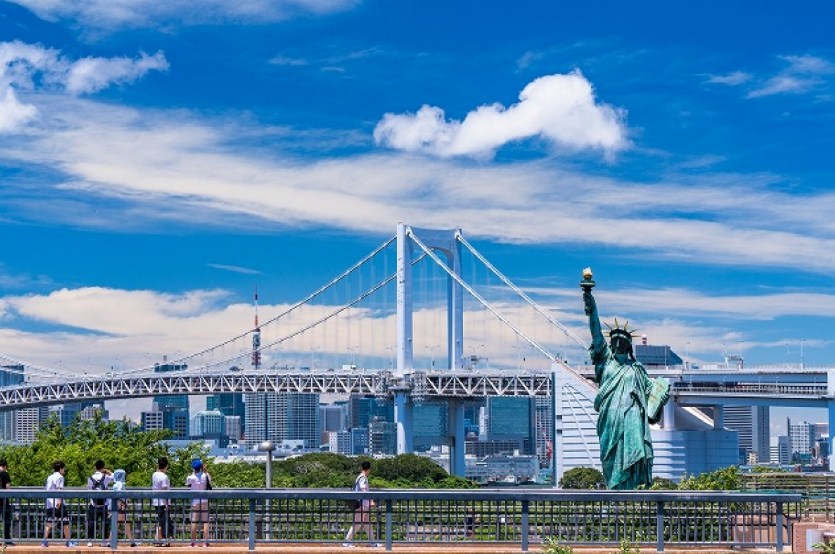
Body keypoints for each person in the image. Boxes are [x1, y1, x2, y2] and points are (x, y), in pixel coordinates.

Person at [582, 271, 670, 489]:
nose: (619, 342)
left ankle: (636, 499)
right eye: (616, 340)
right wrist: (589, 299)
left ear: (629, 346)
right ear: (611, 344)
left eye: (624, 340)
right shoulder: (605, 361)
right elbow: (595, 330)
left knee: (636, 459)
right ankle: (616, 496)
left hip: (632, 419)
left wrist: (662, 392)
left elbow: (653, 394)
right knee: (611, 461)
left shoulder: (637, 369)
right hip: (611, 421)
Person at [343, 460, 380, 548]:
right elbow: (364, 489)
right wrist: (371, 500)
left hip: (364, 504)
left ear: (362, 468)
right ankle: (346, 541)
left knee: (367, 523)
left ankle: (372, 543)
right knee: (358, 523)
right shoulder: (363, 477)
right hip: (362, 504)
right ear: (369, 469)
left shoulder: (360, 477)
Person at [43, 460, 76, 548]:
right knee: (65, 523)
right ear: (60, 468)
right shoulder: (60, 477)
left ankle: (44, 541)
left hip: (49, 503)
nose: (64, 470)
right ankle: (68, 542)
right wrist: (59, 501)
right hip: (58, 503)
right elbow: (59, 490)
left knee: (49, 523)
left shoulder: (49, 477)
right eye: (63, 468)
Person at [86, 460, 113, 547]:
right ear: (103, 467)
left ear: (95, 467)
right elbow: (115, 477)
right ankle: (104, 541)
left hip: (93, 504)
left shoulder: (90, 478)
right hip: (104, 504)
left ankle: (90, 541)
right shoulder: (106, 477)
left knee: (91, 522)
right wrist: (108, 471)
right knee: (105, 523)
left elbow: (89, 490)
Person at [186, 459, 212, 548]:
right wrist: (205, 470)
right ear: (201, 467)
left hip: (195, 502)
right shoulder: (206, 476)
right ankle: (205, 542)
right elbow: (210, 482)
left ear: (193, 468)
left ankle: (193, 543)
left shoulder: (191, 477)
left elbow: (188, 484)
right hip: (204, 500)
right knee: (205, 522)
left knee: (194, 522)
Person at [110, 469, 139, 547]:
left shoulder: (116, 484)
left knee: (123, 524)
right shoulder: (120, 484)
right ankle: (110, 542)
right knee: (118, 524)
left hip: (119, 507)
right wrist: (123, 503)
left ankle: (131, 542)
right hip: (120, 508)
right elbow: (119, 494)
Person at [152, 457, 172, 547]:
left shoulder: (155, 474)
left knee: (160, 522)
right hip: (163, 502)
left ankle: (157, 539)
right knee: (164, 522)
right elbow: (164, 490)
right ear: (166, 466)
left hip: (156, 501)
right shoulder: (164, 477)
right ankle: (164, 540)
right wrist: (167, 504)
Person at [0, 459, 13, 546]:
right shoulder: (5, 473)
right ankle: (7, 540)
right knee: (7, 520)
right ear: (5, 466)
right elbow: (8, 488)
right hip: (3, 499)